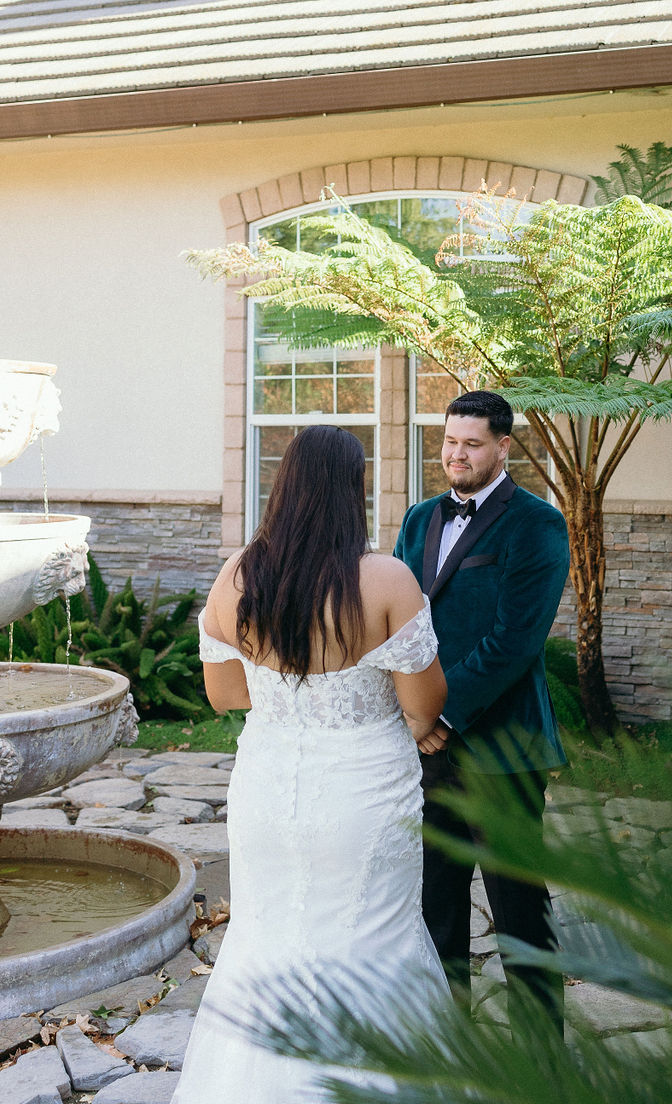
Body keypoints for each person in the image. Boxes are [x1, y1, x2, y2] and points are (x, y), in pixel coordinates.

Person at [172, 426, 449, 1104]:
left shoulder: (236, 578)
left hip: (269, 788)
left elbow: (226, 695)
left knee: (264, 938)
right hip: (365, 794)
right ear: (351, 491)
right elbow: (424, 704)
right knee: (373, 937)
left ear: (284, 486)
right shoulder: (385, 580)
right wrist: (415, 720)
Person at [393, 390, 571, 1032]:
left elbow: (514, 642)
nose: (456, 454)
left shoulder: (539, 525)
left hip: (502, 746)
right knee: (434, 900)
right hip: (426, 749)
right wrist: (413, 715)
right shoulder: (418, 520)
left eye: (471, 444)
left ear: (503, 447)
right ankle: (450, 1035)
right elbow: (400, 624)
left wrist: (439, 712)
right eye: (449, 441)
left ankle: (540, 1051)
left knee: (518, 904)